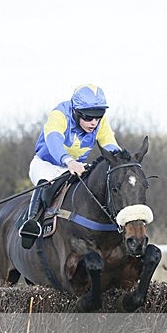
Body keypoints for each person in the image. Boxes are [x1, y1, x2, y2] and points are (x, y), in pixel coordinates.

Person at [19, 84, 121, 248]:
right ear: (76, 111)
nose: (93, 122)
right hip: (47, 164)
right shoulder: (60, 114)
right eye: (88, 117)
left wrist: (123, 161)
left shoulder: (99, 123)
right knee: (46, 182)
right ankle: (31, 223)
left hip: (75, 166)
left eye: (98, 117)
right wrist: (68, 160)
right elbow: (53, 140)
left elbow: (110, 144)